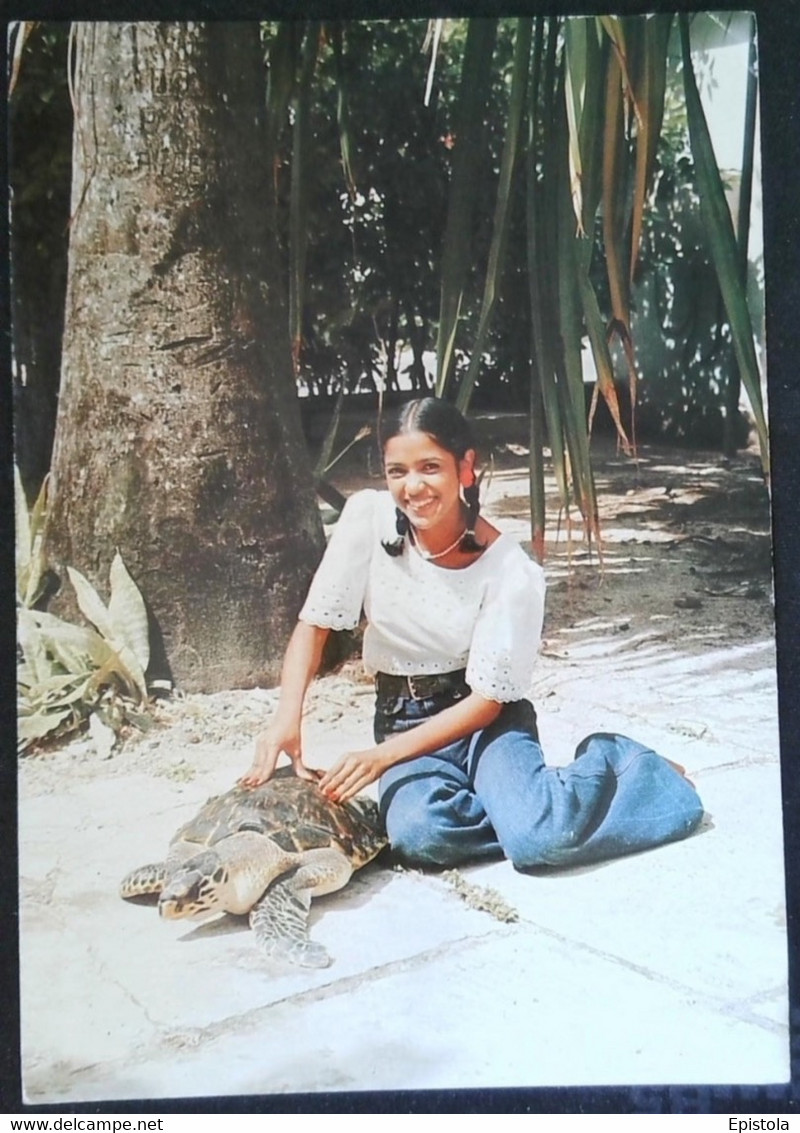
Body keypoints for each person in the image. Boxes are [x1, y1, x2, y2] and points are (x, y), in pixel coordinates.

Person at [241, 397, 704, 869]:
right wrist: (286, 719)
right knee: (421, 837)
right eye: (396, 471)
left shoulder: (511, 572)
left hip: (486, 723)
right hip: (403, 719)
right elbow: (314, 625)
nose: (413, 487)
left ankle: (615, 766)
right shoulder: (366, 519)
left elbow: (488, 702)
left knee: (540, 844)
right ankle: (529, 807)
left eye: (430, 467)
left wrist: (381, 760)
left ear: (465, 469)